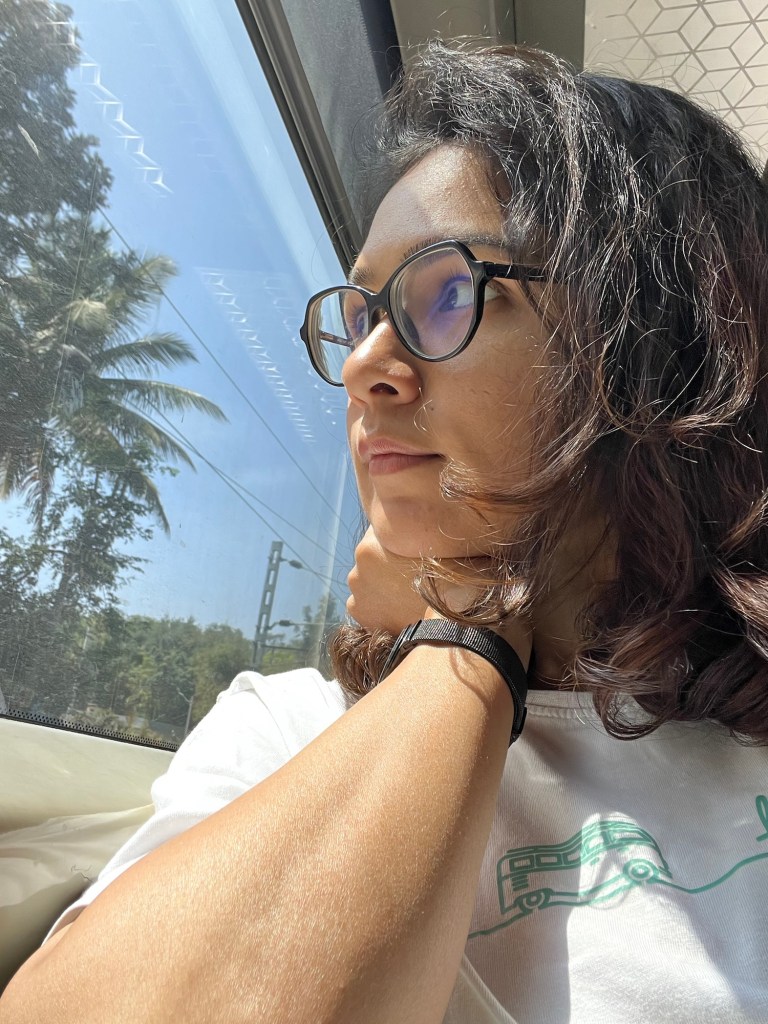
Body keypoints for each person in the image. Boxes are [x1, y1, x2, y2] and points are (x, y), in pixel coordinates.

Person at [2, 41, 768, 1024]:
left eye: (448, 293)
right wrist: (471, 634)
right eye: (362, 311)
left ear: (656, 343)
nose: (365, 364)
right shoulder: (290, 729)